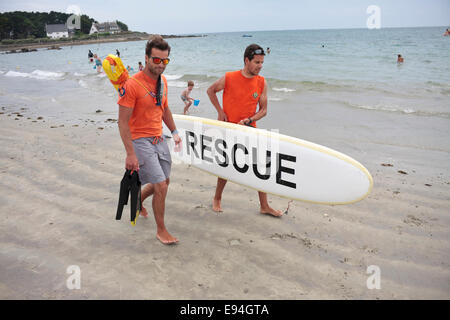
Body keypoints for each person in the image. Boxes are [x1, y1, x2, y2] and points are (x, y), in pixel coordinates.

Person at [117, 35, 181, 244]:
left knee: (164, 182)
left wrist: (174, 131)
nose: (161, 65)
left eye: (165, 61)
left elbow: (164, 108)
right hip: (140, 140)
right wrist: (130, 153)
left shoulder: (162, 82)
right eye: (156, 60)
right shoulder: (132, 85)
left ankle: (137, 201)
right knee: (161, 185)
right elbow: (123, 122)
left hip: (158, 138)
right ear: (146, 58)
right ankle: (161, 230)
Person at [207, 44, 282, 217]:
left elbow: (263, 110)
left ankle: (264, 205)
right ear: (246, 60)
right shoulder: (229, 77)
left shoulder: (262, 82)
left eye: (262, 62)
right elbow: (210, 90)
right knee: (226, 166)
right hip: (228, 129)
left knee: (260, 167)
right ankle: (217, 198)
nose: (260, 66)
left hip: (249, 129)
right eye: (257, 62)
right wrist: (220, 112)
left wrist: (250, 120)